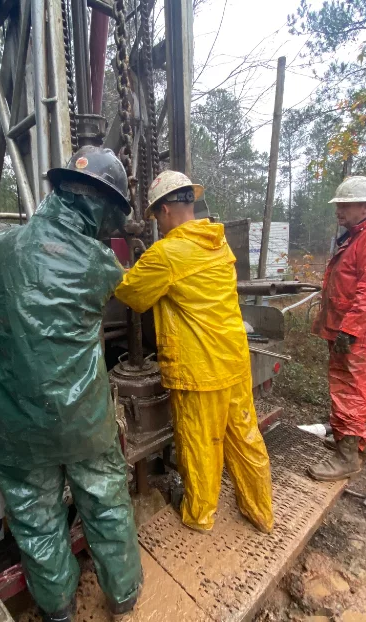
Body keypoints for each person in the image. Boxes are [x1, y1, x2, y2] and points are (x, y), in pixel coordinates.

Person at [0, 146, 143, 622]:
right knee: (105, 503)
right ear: (100, 205)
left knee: (35, 518)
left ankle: (57, 610)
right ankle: (123, 597)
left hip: (11, 419)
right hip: (80, 418)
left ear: (60, 190)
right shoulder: (102, 265)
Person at [114, 170, 273, 534]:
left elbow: (132, 295)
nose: (157, 222)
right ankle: (261, 512)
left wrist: (112, 270)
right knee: (246, 439)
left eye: (156, 214)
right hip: (234, 360)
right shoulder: (217, 241)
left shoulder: (167, 254)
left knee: (201, 445)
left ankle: (200, 517)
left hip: (200, 371)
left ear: (167, 209)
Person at [309, 175, 366, 482]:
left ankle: (347, 458)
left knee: (349, 391)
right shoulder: (360, 235)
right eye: (338, 205)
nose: (339, 211)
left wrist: (349, 330)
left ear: (364, 205)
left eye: (345, 205)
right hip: (357, 330)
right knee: (362, 392)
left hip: (359, 333)